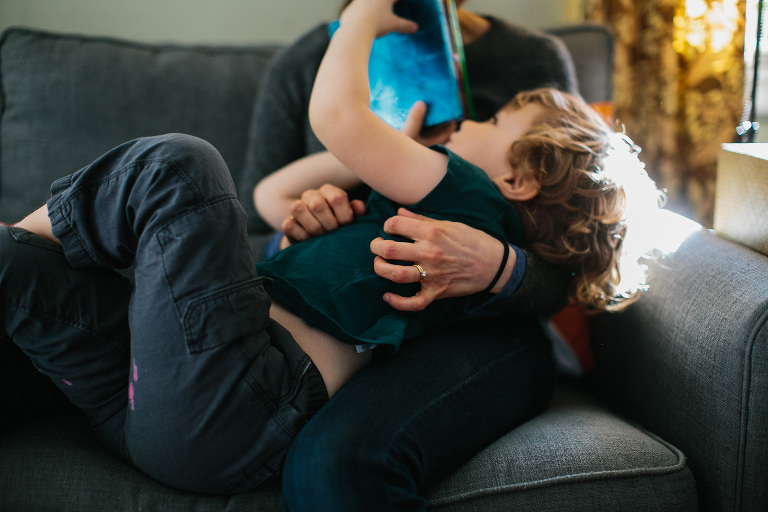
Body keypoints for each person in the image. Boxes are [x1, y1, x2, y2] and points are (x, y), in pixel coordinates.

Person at [2, 0, 660, 501]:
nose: (465, 122)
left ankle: (20, 231)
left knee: (180, 165)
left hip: (240, 393)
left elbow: (337, 118)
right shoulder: (435, 190)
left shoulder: (470, 195)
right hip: (168, 402)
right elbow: (274, 193)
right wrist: (373, 163)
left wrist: (362, 27)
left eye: (488, 122)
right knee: (20, 273)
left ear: (518, 180)